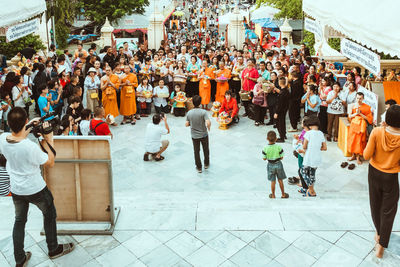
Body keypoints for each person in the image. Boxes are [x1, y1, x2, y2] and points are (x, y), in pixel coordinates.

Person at [0, 107, 74, 267]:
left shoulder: (3, 138)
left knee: (19, 220)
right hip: (35, 189)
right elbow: (50, 162)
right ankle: (53, 248)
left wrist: (30, 125)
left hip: (17, 189)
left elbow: (17, 136)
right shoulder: (30, 147)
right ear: (26, 121)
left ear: (8, 123)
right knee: (49, 214)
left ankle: (19, 258)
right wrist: (49, 137)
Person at [363, 104, 400, 258]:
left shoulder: (378, 132)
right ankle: (381, 247)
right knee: (388, 212)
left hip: (374, 173)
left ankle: (378, 235)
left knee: (375, 206)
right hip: (391, 177)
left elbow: (366, 155)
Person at [299, 115, 327, 197]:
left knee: (303, 172)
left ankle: (311, 190)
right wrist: (317, 147)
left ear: (310, 126)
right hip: (317, 157)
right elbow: (324, 148)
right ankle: (311, 191)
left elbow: (304, 146)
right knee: (312, 174)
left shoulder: (308, 133)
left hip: (309, 157)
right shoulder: (321, 133)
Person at [186, 95, 211, 173]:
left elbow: (186, 124)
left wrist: (192, 124)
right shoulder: (203, 112)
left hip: (194, 136)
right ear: (200, 103)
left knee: (196, 151)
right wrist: (209, 127)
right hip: (204, 134)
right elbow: (208, 122)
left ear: (193, 103)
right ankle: (206, 164)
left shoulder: (189, 113)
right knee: (206, 149)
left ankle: (199, 167)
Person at [347, 92, 373, 165]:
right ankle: (353, 155)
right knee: (352, 140)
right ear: (355, 98)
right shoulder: (352, 106)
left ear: (363, 99)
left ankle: (358, 157)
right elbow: (350, 116)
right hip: (353, 125)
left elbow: (369, 119)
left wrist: (360, 114)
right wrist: (356, 113)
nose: (358, 100)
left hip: (361, 125)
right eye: (357, 98)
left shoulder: (367, 107)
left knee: (359, 141)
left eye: (360, 98)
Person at [262, 130, 288, 199]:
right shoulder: (279, 147)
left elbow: (264, 158)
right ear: (276, 138)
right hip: (278, 164)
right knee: (280, 180)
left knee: (273, 181)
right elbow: (282, 157)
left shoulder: (265, 148)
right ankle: (283, 194)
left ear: (267, 138)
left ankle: (273, 195)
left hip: (270, 165)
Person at [274, 77, 290, 142]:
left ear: (280, 83)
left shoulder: (282, 93)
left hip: (281, 110)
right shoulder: (286, 91)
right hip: (284, 109)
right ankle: (283, 134)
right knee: (282, 123)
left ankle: (282, 137)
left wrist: (276, 113)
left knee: (279, 124)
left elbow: (280, 104)